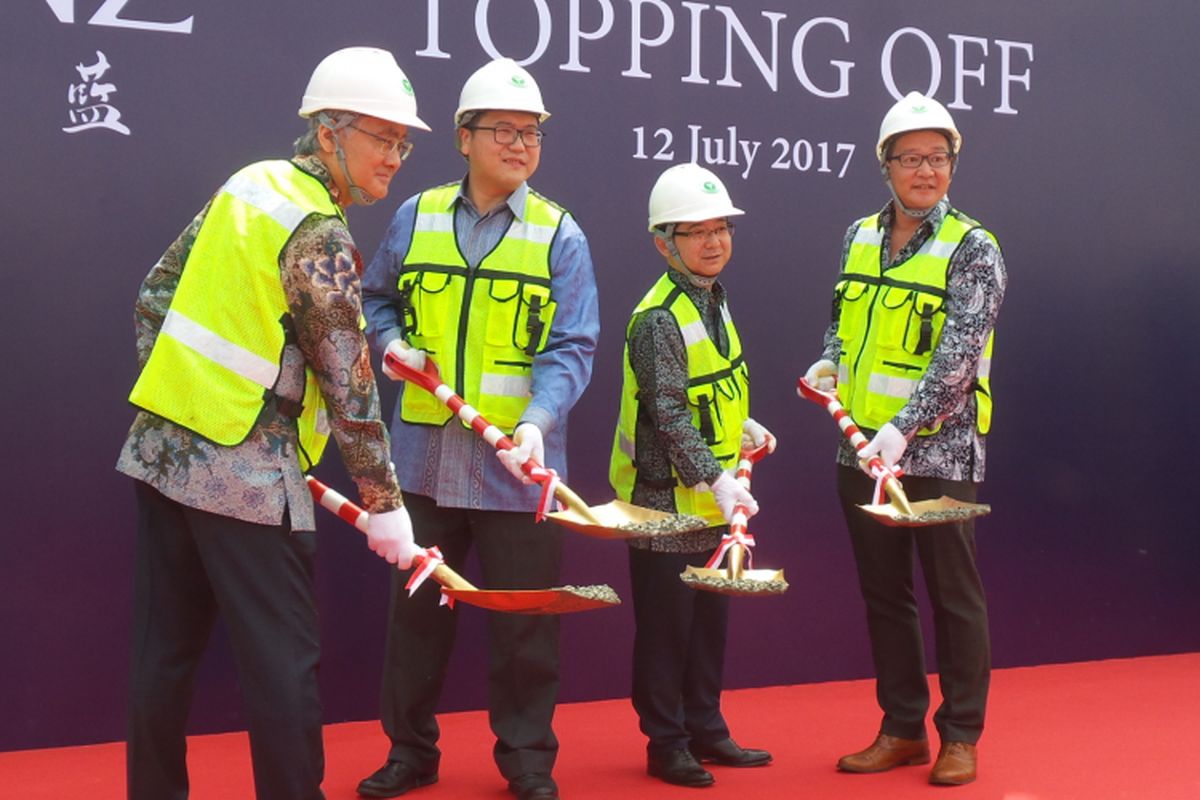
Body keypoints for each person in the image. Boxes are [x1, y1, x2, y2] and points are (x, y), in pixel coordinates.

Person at [116, 46, 429, 800]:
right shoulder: (318, 229)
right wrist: (387, 507)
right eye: (382, 138)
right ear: (329, 135)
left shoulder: (248, 186)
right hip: (248, 477)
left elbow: (154, 297)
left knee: (164, 656)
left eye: (403, 142)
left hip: (161, 451)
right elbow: (349, 384)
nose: (396, 157)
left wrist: (184, 394)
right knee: (283, 666)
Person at [356, 57, 599, 800]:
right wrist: (388, 344)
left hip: (517, 470)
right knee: (417, 621)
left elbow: (573, 345)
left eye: (532, 133)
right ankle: (410, 754)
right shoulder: (416, 216)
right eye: (504, 130)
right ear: (463, 137)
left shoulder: (561, 235)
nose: (521, 144)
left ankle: (527, 763)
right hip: (425, 460)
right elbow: (375, 300)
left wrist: (538, 420)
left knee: (527, 626)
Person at [803, 91, 1006, 786]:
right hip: (859, 452)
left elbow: (957, 359)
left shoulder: (973, 248)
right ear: (884, 164)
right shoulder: (858, 234)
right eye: (911, 158)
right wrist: (829, 361)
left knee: (955, 594)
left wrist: (902, 427)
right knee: (884, 595)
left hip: (940, 453)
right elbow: (843, 320)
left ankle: (960, 736)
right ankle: (900, 728)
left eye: (938, 157)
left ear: (953, 164)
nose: (926, 171)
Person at [609, 163, 776, 788]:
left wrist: (744, 426)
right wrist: (717, 476)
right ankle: (666, 742)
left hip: (708, 501)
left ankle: (706, 728)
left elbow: (706, 391)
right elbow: (668, 411)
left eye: (721, 228)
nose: (713, 242)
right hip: (661, 501)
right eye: (694, 232)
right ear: (663, 243)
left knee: (708, 623)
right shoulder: (658, 319)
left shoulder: (713, 300)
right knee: (666, 630)